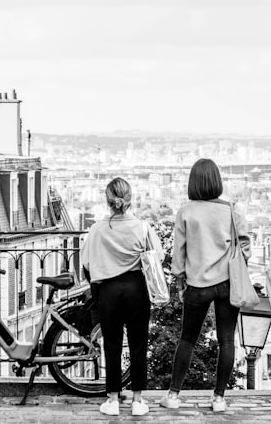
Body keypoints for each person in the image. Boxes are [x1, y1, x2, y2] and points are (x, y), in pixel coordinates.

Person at [161, 158, 249, 414]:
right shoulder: (232, 210)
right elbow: (245, 248)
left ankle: (174, 394)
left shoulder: (186, 212)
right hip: (226, 282)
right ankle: (219, 397)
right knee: (226, 341)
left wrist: (179, 280)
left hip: (197, 284)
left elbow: (179, 254)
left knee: (187, 339)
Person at [80, 177, 163, 417]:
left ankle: (113, 399)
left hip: (109, 290)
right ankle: (138, 399)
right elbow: (156, 255)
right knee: (138, 343)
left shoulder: (97, 228)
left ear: (108, 201)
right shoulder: (142, 227)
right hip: (137, 288)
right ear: (130, 199)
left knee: (112, 344)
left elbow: (86, 263)